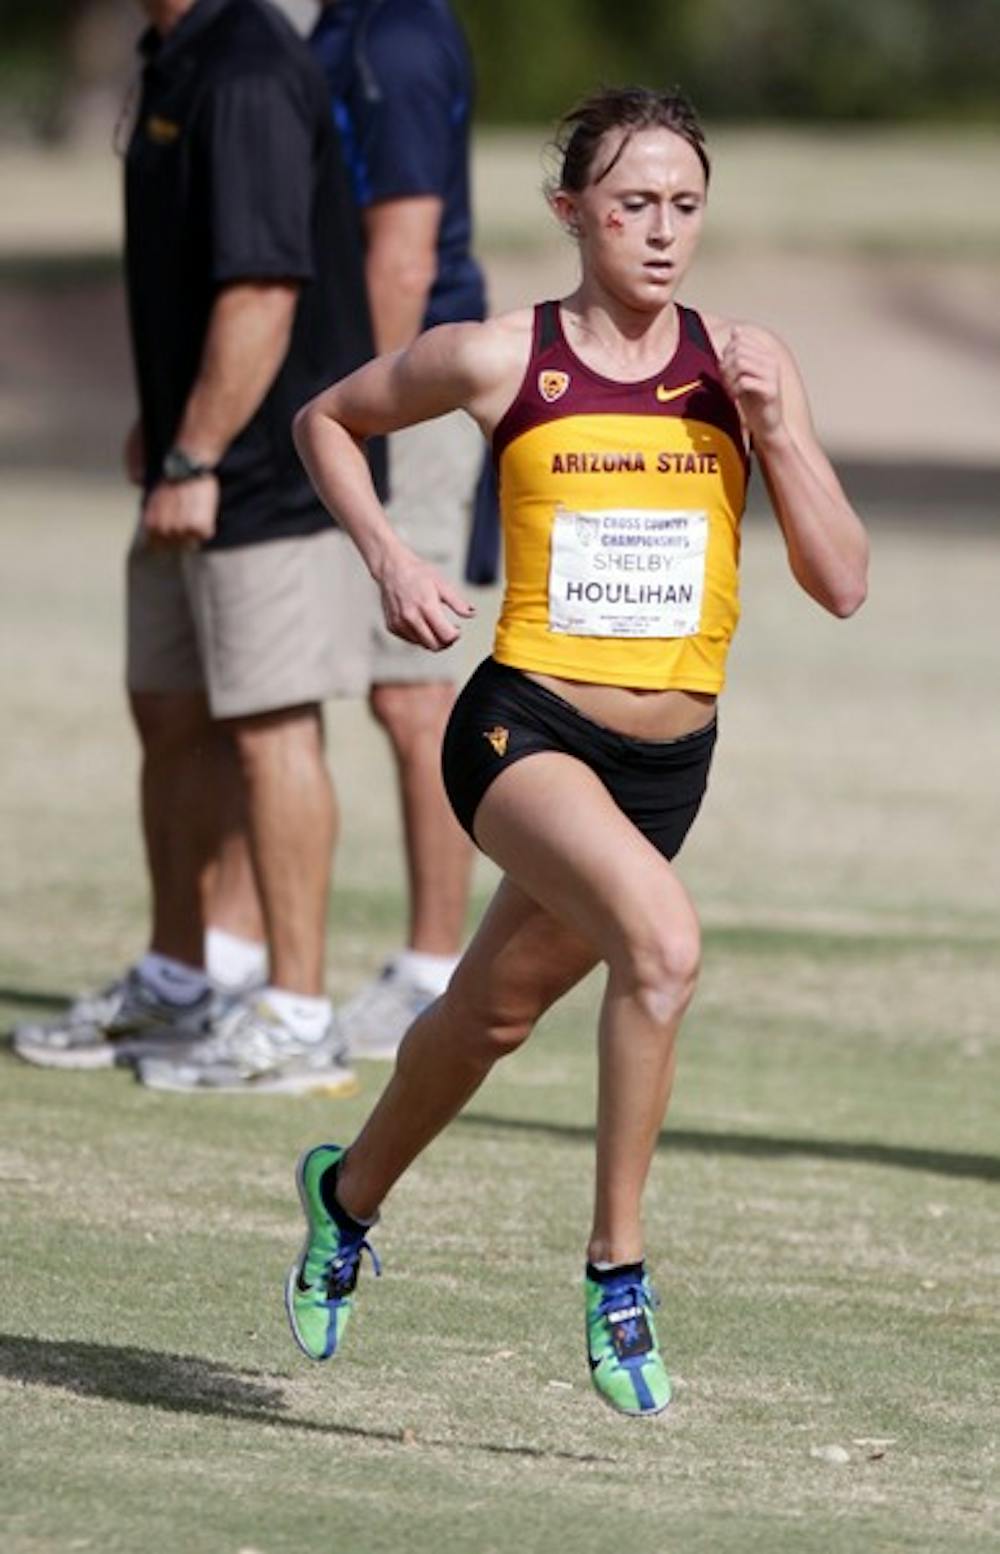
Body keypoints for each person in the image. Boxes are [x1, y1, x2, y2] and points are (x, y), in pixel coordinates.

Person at [282, 83, 868, 1415]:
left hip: (666, 769)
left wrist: (775, 431)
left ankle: (345, 1195)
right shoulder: (499, 358)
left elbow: (842, 582)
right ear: (572, 214)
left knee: (486, 1016)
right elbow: (328, 419)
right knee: (662, 947)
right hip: (522, 728)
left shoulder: (746, 363)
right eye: (631, 205)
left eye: (684, 206)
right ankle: (618, 1269)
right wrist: (390, 554)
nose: (662, 232)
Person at [13, 0, 384, 1097]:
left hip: (264, 474)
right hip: (194, 460)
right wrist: (168, 427)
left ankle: (299, 1012)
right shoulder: (172, 58)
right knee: (170, 712)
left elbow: (266, 294)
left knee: (272, 731)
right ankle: (181, 981)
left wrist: (199, 452)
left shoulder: (250, 69)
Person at [305, 0, 488, 1058]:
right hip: (356, 391)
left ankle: (432, 967)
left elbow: (406, 253)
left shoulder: (397, 36)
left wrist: (359, 423)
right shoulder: (334, 27)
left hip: (401, 389)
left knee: (411, 688)